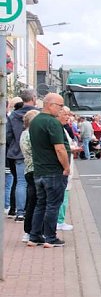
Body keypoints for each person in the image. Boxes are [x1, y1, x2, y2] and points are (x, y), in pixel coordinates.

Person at [27, 93, 70, 248]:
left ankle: (35, 235)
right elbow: (59, 148)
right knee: (53, 205)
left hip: (39, 170)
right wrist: (66, 167)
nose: (61, 109)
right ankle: (50, 238)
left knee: (41, 204)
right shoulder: (52, 123)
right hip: (53, 170)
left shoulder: (35, 121)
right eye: (59, 106)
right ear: (50, 104)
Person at [7, 89, 37, 222]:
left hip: (17, 153)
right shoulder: (37, 114)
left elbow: (8, 135)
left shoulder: (13, 115)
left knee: (20, 182)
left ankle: (20, 212)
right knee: (34, 183)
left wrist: (14, 146)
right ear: (33, 98)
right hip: (35, 153)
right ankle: (31, 209)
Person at [19, 109, 39, 242]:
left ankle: (29, 231)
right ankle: (32, 230)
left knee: (32, 201)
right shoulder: (30, 134)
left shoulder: (24, 134)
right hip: (35, 169)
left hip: (28, 169)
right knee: (36, 202)